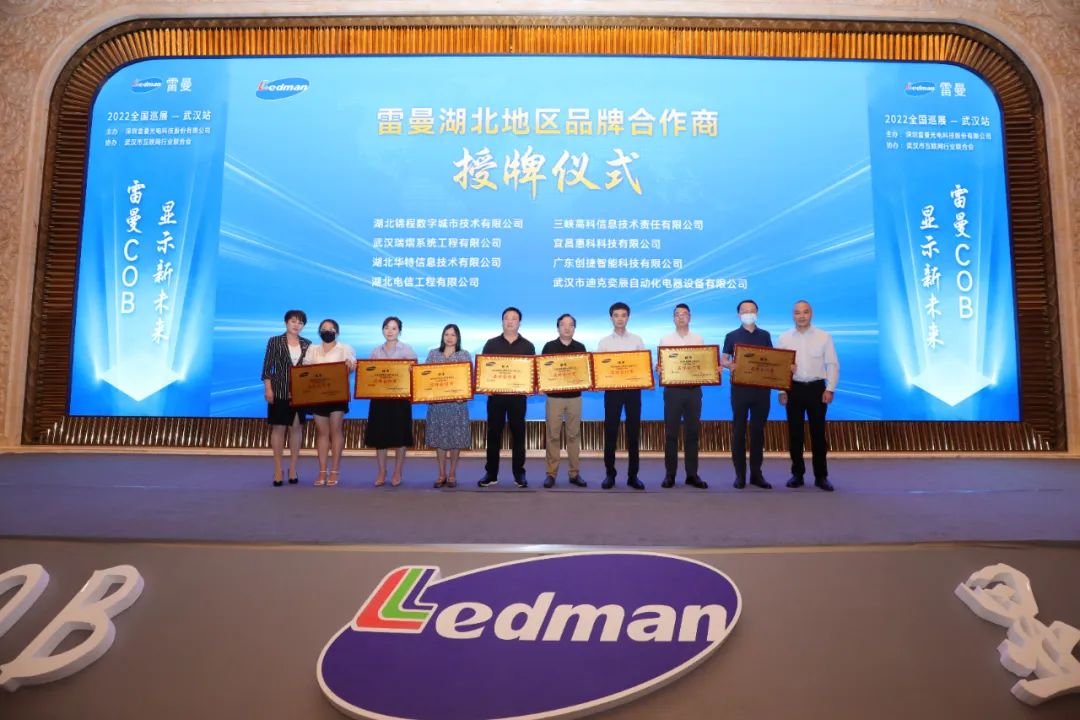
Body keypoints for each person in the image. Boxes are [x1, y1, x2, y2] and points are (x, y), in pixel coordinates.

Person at [777, 300, 839, 492]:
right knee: (795, 434)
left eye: (805, 312)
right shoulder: (784, 338)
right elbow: (779, 367)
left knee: (818, 434)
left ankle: (821, 476)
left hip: (817, 389)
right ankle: (797, 474)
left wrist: (830, 388)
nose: (801, 316)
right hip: (793, 389)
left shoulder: (824, 336)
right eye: (797, 313)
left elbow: (832, 364)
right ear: (792, 315)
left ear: (811, 314)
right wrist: (781, 390)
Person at [478, 307, 535, 488]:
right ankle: (491, 473)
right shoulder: (491, 344)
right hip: (496, 397)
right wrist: (483, 385)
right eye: (507, 318)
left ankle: (519, 474)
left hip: (518, 398)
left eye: (514, 318)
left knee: (518, 434)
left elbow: (532, 372)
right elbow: (483, 370)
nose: (510, 321)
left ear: (519, 322)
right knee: (493, 434)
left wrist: (531, 385)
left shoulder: (528, 346)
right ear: (502, 321)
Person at [722, 299, 773, 489]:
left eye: (752, 310)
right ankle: (740, 475)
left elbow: (772, 360)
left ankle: (756, 475)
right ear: (739, 314)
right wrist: (729, 365)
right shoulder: (731, 336)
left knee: (758, 432)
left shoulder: (765, 335)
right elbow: (724, 359)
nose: (748, 313)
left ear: (757, 313)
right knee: (739, 432)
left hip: (762, 390)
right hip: (740, 390)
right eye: (745, 311)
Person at [596, 301, 646, 490]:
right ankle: (610, 474)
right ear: (611, 318)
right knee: (611, 433)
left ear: (628, 318)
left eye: (623, 315)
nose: (620, 319)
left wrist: (647, 379)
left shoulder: (637, 340)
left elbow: (643, 366)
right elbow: (600, 369)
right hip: (612, 393)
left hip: (633, 392)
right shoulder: (604, 343)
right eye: (616, 315)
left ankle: (633, 476)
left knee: (633, 434)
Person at [659, 303, 708, 489]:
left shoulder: (698, 338)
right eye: (677, 314)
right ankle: (670, 475)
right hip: (673, 391)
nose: (681, 317)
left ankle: (692, 475)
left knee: (692, 434)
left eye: (684, 314)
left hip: (694, 391)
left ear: (690, 317)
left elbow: (703, 363)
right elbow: (661, 364)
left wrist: (712, 369)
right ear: (673, 318)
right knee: (671, 434)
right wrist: (659, 369)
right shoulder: (665, 339)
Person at [364, 316, 417, 487]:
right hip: (380, 400)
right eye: (387, 327)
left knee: (400, 436)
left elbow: (415, 375)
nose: (390, 331)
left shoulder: (407, 350)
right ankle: (382, 471)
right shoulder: (375, 351)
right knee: (380, 437)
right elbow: (368, 375)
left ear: (399, 331)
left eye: (394, 328)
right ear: (382, 330)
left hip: (400, 401)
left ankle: (397, 471)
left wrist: (412, 370)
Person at [261, 309, 311, 487]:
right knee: (278, 429)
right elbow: (267, 368)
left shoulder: (308, 344)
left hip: (300, 394)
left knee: (296, 429)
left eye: (301, 322)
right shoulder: (275, 341)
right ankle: (277, 469)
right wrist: (268, 389)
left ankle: (293, 468)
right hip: (279, 391)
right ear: (286, 322)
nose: (297, 325)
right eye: (293, 321)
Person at [303, 318, 356, 487]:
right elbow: (305, 369)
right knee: (322, 433)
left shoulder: (345, 348)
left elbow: (352, 365)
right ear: (319, 331)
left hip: (337, 395)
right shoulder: (312, 349)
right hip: (317, 396)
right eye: (324, 328)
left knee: (336, 430)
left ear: (337, 332)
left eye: (331, 329)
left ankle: (334, 470)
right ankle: (322, 471)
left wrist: (349, 365)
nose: (327, 331)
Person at [540, 314, 587, 488]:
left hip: (575, 397)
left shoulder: (580, 347)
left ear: (574, 328)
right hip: (554, 398)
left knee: (573, 436)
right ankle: (551, 474)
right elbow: (543, 370)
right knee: (553, 436)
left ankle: (574, 473)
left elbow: (584, 372)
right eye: (563, 324)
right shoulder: (549, 346)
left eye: (571, 325)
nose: (567, 328)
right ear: (558, 327)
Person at [424, 324, 471, 488]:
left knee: (456, 440)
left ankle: (452, 474)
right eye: (446, 334)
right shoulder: (433, 354)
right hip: (437, 406)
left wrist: (463, 395)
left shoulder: (464, 355)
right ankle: (441, 474)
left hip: (457, 406)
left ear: (458, 337)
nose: (449, 338)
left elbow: (468, 379)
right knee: (439, 440)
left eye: (453, 335)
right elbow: (425, 378)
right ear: (442, 336)